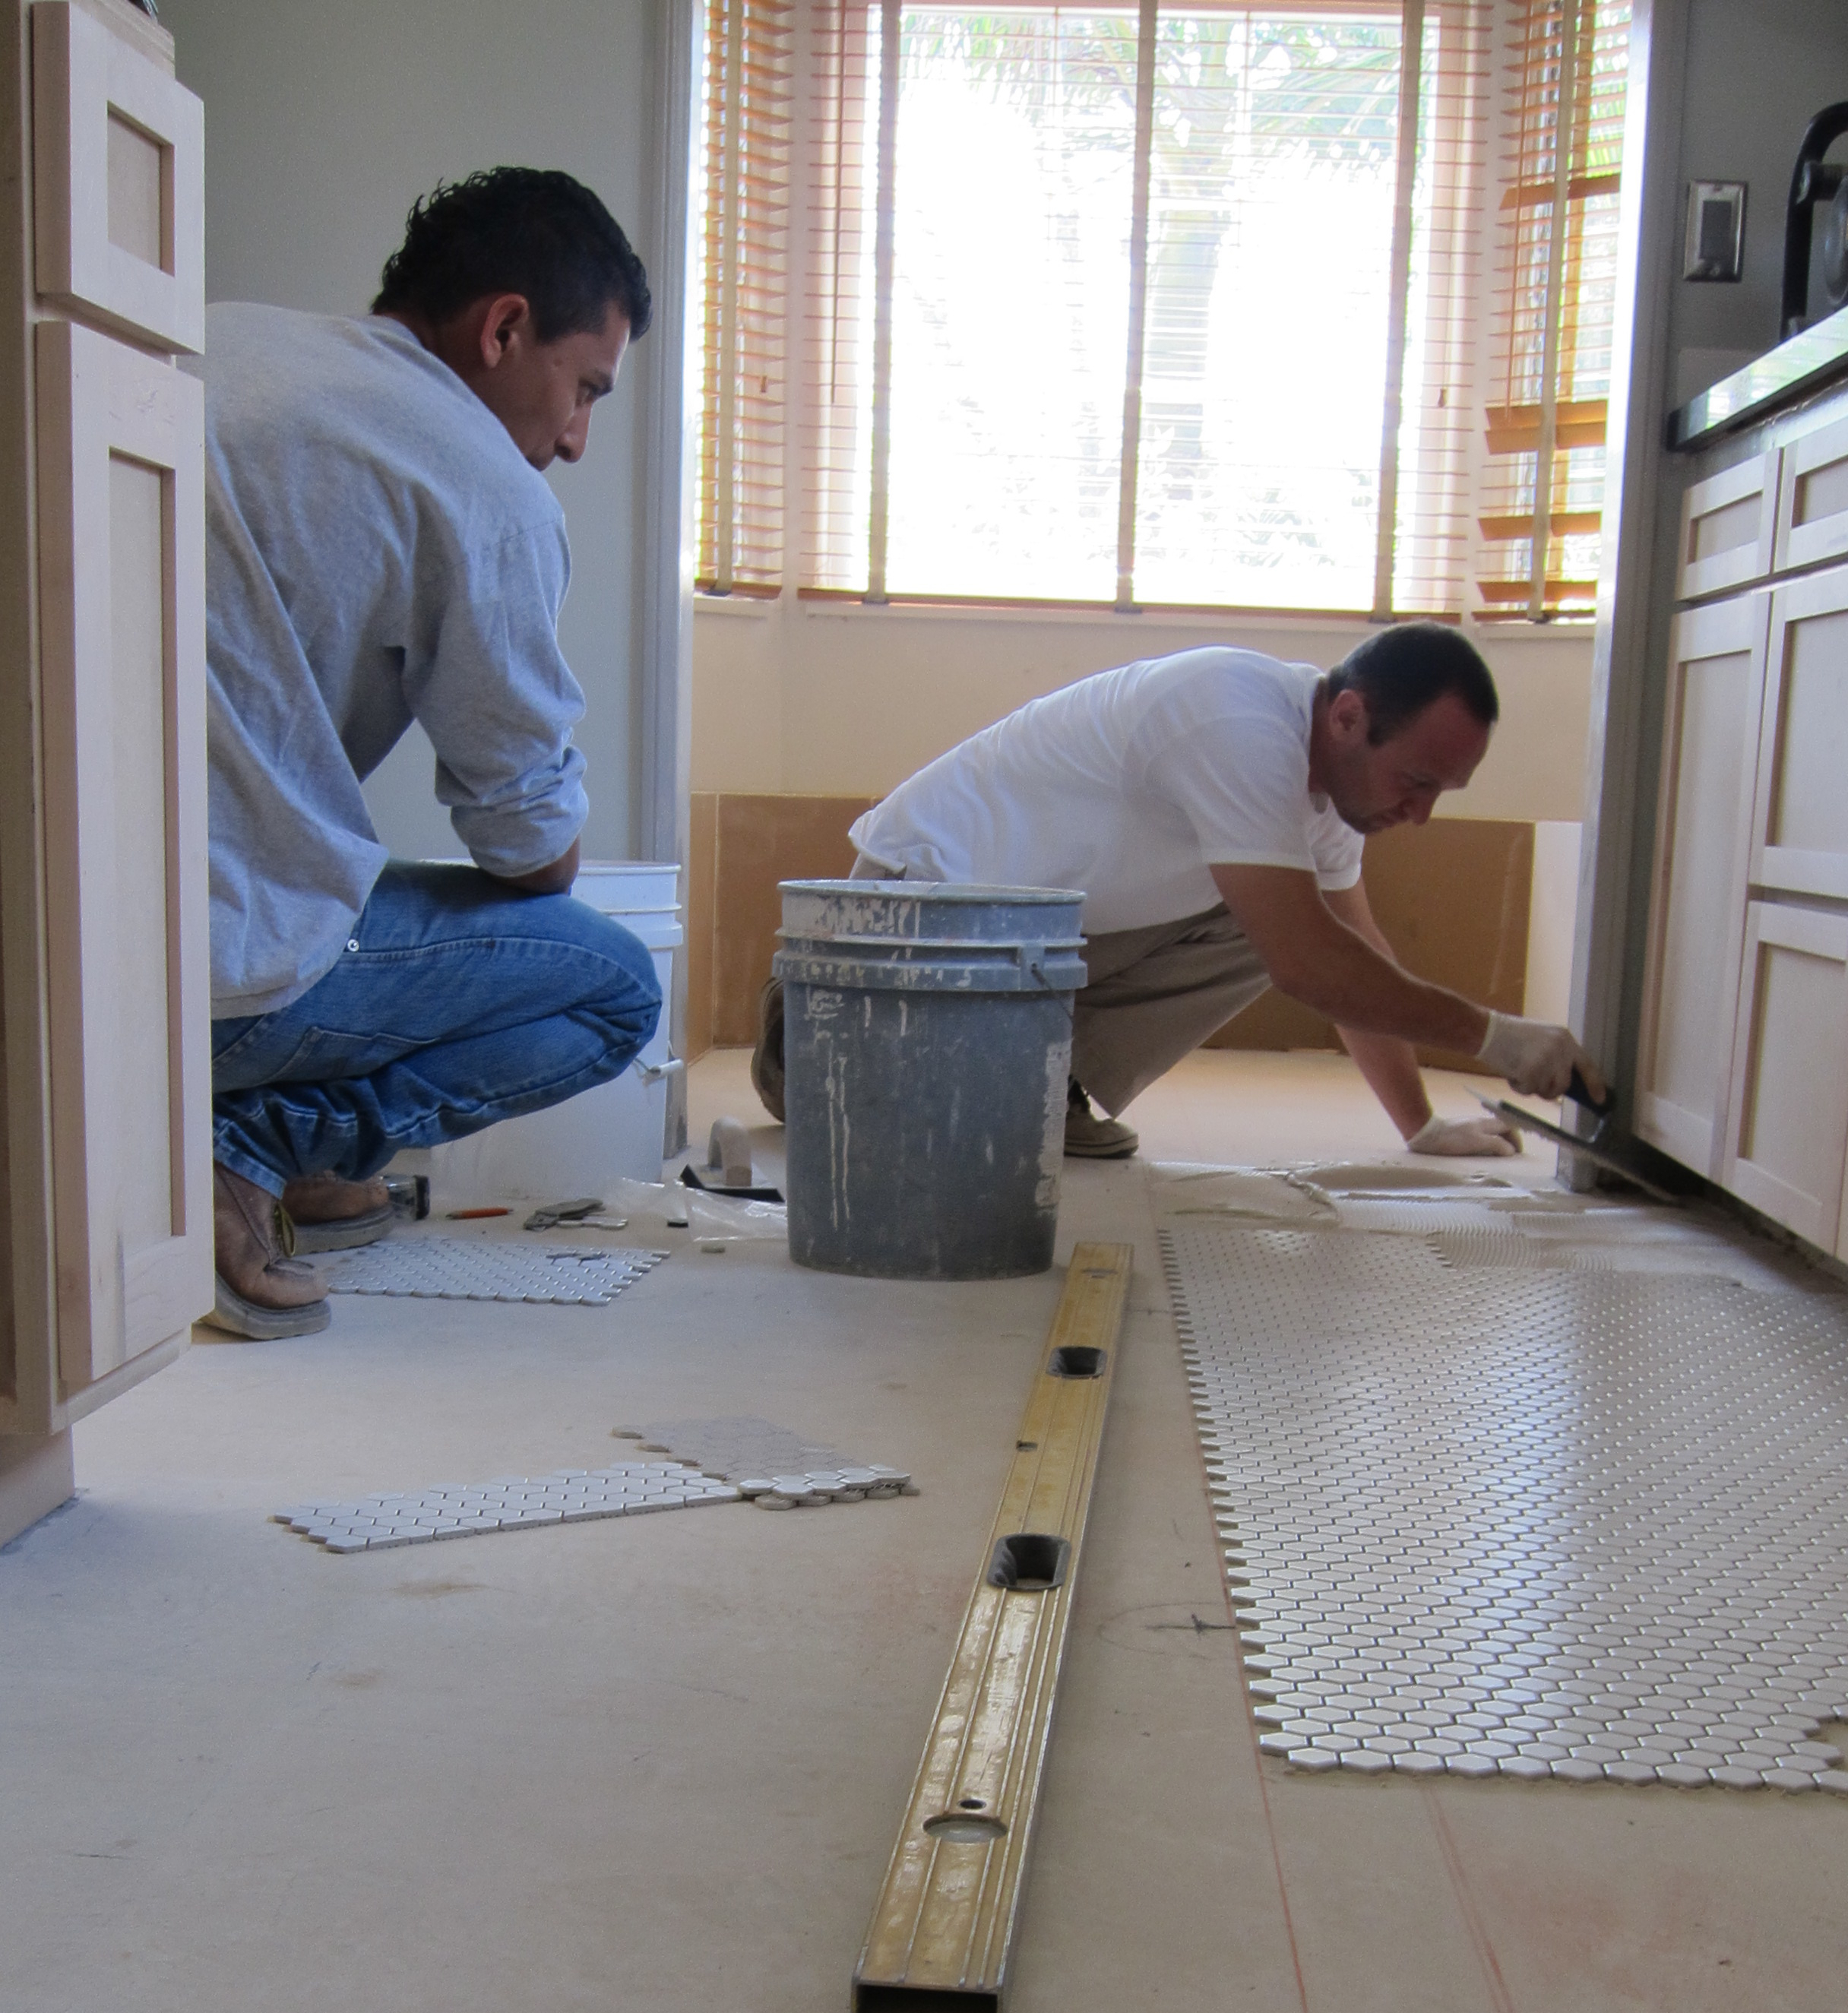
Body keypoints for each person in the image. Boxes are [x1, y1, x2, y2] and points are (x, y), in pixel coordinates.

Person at [200, 168, 663, 1337]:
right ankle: (241, 1146)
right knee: (613, 986)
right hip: (211, 980)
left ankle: (260, 1148)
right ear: (505, 327)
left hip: (58, 967)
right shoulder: (481, 484)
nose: (575, 438)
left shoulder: (204, 343)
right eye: (584, 388)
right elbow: (530, 851)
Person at [750, 625, 1603, 1159]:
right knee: (856, 1124)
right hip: (908, 920)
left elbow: (1354, 957)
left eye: (1439, 796)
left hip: (1017, 945)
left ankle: (1038, 1092)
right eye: (1415, 781)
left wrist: (1418, 1126)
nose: (1417, 816)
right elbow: (1308, 964)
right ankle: (810, 1043)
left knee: (1283, 921)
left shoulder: (1337, 796)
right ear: (1345, 717)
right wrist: (1492, 1038)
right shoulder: (1231, 717)